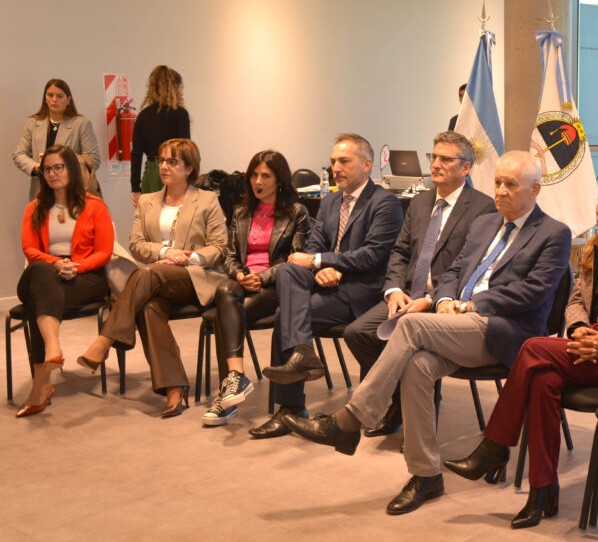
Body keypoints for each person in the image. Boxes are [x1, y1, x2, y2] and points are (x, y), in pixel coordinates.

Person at [281, 151, 572, 516]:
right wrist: (446, 298)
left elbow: (533, 293)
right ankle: (426, 474)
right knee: (418, 366)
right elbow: (454, 271)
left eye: (510, 185)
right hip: (458, 324)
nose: (500, 191)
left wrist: (469, 305)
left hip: (507, 332)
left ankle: (351, 420)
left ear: (535, 190)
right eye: (497, 182)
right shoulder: (485, 223)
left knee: (411, 324)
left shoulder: (554, 233)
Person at [445, 173, 598, 529]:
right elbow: (575, 301)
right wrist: (578, 327)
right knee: (543, 379)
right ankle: (542, 489)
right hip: (590, 344)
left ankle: (495, 445)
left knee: (532, 348)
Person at [342, 131, 495, 438]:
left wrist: (431, 299)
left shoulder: (483, 208)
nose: (435, 164)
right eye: (433, 157)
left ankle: (417, 421)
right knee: (357, 333)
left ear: (465, 168)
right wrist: (394, 290)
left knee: (419, 352)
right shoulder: (420, 202)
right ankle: (398, 403)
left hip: (445, 303)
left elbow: (471, 268)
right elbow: (399, 252)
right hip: (405, 295)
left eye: (445, 159)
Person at [249, 133, 403, 438]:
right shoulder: (331, 200)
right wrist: (320, 266)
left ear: (367, 165)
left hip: (360, 289)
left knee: (283, 316)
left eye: (344, 161)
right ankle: (302, 356)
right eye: (333, 161)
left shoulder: (385, 203)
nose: (336, 168)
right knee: (289, 270)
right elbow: (313, 245)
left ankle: (290, 407)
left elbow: (372, 256)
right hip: (328, 281)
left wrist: (321, 262)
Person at [76, 138, 227, 418]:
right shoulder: (147, 201)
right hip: (156, 278)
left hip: (195, 277)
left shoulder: (207, 200)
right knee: (147, 307)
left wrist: (188, 257)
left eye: (173, 161)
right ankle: (174, 387)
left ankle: (105, 340)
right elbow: (136, 245)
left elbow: (220, 247)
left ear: (189, 168)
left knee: (146, 273)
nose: (164, 166)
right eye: (162, 160)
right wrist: (166, 252)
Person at [201, 150, 312, 426]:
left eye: (265, 176)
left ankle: (227, 396)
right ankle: (235, 378)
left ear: (280, 180)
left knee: (224, 316)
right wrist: (239, 275)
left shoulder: (296, 213)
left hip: (275, 284)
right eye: (254, 175)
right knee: (225, 292)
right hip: (242, 282)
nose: (257, 181)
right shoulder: (241, 212)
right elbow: (229, 256)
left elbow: (296, 259)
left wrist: (261, 278)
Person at [16, 145, 113, 417]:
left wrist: (77, 267)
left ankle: (41, 386)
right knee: (41, 273)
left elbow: (104, 251)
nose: (52, 173)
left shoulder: (95, 206)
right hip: (44, 273)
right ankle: (53, 345)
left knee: (38, 302)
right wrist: (55, 263)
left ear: (71, 169)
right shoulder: (34, 208)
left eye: (58, 167)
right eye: (47, 169)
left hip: (85, 277)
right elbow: (29, 249)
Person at [13, 79, 102, 198]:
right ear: (45, 98)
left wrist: (63, 164)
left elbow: (93, 159)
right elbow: (19, 154)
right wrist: (36, 167)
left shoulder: (81, 124)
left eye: (59, 96)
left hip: (71, 192)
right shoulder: (33, 122)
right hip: (40, 190)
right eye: (50, 95)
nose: (54, 100)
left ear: (68, 100)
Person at [131, 65, 190, 206]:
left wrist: (135, 187)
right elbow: (186, 151)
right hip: (174, 173)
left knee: (150, 217)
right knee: (175, 217)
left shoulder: (143, 115)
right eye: (181, 88)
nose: (182, 93)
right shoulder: (180, 114)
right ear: (173, 88)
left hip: (151, 173)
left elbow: (136, 154)